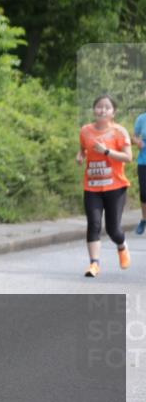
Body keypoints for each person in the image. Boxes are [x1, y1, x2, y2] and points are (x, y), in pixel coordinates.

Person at [76, 95, 134, 277]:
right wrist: (81, 155)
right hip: (92, 187)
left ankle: (122, 245)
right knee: (93, 224)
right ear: (94, 110)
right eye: (99, 107)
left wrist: (107, 151)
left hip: (115, 187)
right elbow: (83, 147)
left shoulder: (119, 132)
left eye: (107, 108)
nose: (102, 110)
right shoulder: (85, 130)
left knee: (112, 229)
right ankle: (94, 264)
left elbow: (128, 157)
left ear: (113, 112)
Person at [135, 109, 146, 235]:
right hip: (144, 161)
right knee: (144, 192)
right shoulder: (142, 118)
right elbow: (134, 136)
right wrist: (138, 142)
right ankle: (144, 219)